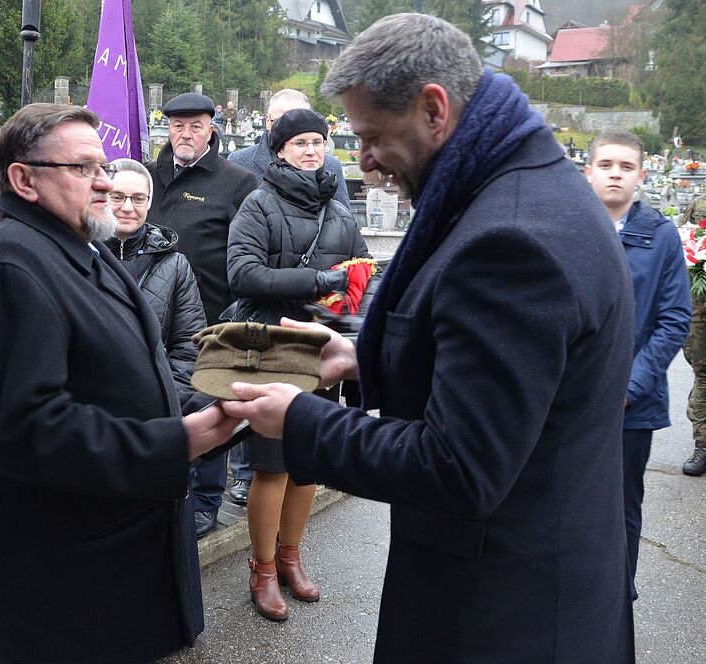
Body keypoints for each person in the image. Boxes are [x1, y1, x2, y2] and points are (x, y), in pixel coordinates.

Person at [222, 13, 636, 662]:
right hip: (530, 582)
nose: (360, 161)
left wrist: (300, 420)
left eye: (372, 136)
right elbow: (501, 365)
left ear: (434, 109)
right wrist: (365, 355)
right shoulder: (519, 181)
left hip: (504, 616)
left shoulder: (512, 239)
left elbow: (460, 466)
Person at [0, 103, 240, 664]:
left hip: (116, 557)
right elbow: (30, 432)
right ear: (22, 179)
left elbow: (122, 377)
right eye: (83, 168)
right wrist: (181, 440)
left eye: (101, 165)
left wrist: (225, 406)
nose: (104, 182)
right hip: (66, 582)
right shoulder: (8, 270)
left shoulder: (77, 244)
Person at [227, 108, 368, 621]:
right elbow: (242, 274)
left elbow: (359, 271)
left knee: (307, 462)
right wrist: (318, 282)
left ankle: (291, 557)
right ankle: (262, 568)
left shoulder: (339, 209)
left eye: (318, 141)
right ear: (280, 149)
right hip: (271, 346)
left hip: (321, 349)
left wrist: (349, 305)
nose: (311, 150)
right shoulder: (259, 204)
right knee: (272, 464)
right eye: (300, 142)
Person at [145, 92, 257, 538]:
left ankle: (207, 500)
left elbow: (245, 253)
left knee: (209, 405)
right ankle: (166, 489)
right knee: (165, 406)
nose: (185, 135)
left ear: (212, 128)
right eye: (177, 126)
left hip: (212, 317)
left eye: (195, 126)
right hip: (153, 318)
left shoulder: (237, 182)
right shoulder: (150, 176)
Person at [586, 129, 691, 599]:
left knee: (622, 503)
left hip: (632, 404)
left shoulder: (660, 236)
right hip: (574, 399)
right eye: (606, 164)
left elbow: (673, 319)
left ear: (640, 176)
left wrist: (629, 387)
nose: (615, 174)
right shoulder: (571, 226)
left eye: (626, 167)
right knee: (569, 498)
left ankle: (616, 595)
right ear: (588, 171)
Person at [104, 157, 207, 393]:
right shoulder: (81, 255)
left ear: (149, 202)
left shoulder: (175, 265)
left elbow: (189, 345)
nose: (127, 207)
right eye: (117, 197)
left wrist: (166, 399)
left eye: (138, 198)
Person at [228, 91, 351, 225]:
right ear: (268, 121)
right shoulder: (239, 162)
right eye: (282, 120)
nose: (292, 128)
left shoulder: (331, 166)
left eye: (301, 121)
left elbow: (345, 225)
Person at [679, 193, 706, 476]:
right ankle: (703, 443)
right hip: (701, 305)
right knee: (704, 373)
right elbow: (684, 245)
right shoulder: (698, 205)